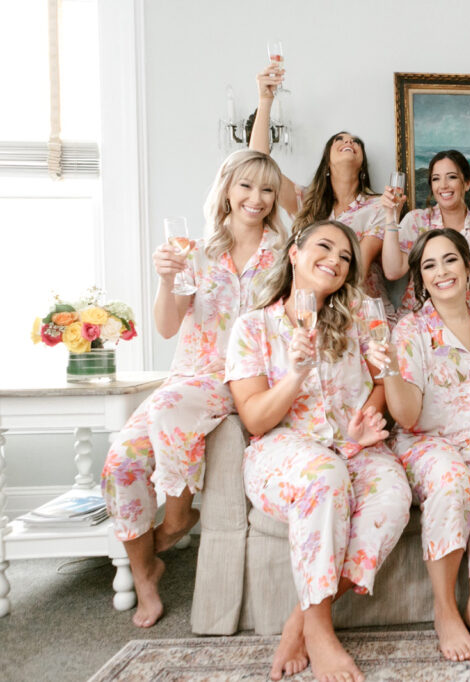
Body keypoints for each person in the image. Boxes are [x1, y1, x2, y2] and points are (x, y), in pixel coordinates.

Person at [101, 149, 286, 628]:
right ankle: (146, 574)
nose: (256, 198)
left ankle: (180, 515)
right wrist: (165, 281)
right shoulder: (195, 252)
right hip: (187, 377)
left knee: (168, 405)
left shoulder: (284, 254)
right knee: (121, 462)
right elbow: (166, 327)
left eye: (267, 189)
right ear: (226, 187)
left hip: (241, 377)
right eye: (246, 186)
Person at [226, 219, 411, 681]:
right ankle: (321, 629)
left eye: (345, 256)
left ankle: (301, 617)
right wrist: (295, 375)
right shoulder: (253, 327)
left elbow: (383, 383)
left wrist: (366, 419)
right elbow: (255, 419)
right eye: (324, 247)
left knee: (393, 499)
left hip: (354, 447)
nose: (335, 259)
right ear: (294, 253)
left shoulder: (364, 313)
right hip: (283, 451)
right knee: (324, 475)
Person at [367, 228, 470, 662]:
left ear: (469, 267)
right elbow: (409, 417)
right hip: (425, 442)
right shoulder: (410, 330)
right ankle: (445, 609)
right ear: (419, 279)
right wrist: (391, 370)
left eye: (449, 260)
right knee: (452, 479)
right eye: (429, 265)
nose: (441, 271)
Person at [250, 63, 393, 318]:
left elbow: (357, 269)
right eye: (340, 139)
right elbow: (258, 163)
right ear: (327, 161)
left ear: (362, 165)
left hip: (364, 315)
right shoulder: (303, 200)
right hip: (309, 312)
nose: (348, 141)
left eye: (355, 142)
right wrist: (265, 100)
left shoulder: (380, 205)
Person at [380, 150, 470, 316]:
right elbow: (392, 271)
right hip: (418, 327)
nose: (443, 185)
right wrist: (391, 216)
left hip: (469, 327)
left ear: (467, 183)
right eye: (436, 179)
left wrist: (459, 328)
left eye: (452, 177)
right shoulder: (416, 221)